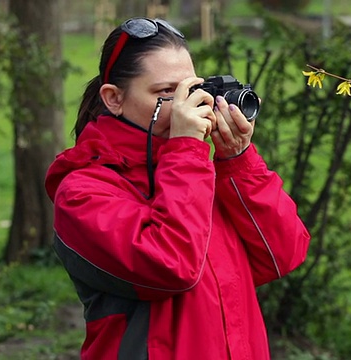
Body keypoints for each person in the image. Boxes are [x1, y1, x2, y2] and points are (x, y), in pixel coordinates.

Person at [44, 17, 311, 360]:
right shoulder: (83, 191)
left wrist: (238, 159)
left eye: (190, 87)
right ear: (113, 99)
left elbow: (282, 253)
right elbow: (172, 266)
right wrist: (186, 150)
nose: (187, 103)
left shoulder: (196, 175)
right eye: (165, 92)